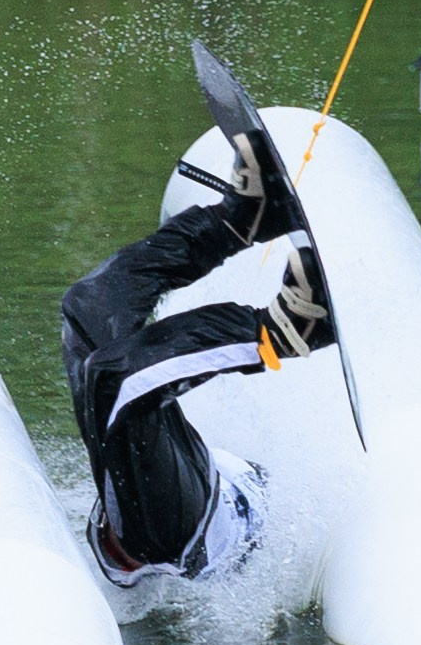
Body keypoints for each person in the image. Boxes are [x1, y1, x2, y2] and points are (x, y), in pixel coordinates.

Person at [62, 130, 336, 586]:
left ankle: (239, 221)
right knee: (114, 380)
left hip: (169, 506)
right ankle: (285, 332)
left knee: (85, 309)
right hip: (173, 542)